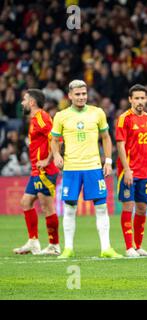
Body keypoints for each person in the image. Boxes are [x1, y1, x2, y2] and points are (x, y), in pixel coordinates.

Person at [50, 80, 122, 259]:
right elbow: (54, 139)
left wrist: (108, 161)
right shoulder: (61, 116)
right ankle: (68, 248)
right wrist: (57, 155)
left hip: (93, 167)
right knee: (69, 208)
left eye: (84, 94)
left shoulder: (97, 113)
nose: (81, 97)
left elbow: (106, 138)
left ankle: (106, 248)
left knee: (101, 207)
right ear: (70, 96)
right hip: (72, 168)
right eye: (78, 94)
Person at [116, 84, 147, 257]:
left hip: (144, 172)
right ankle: (129, 247)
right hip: (128, 172)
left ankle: (138, 246)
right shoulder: (125, 118)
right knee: (128, 206)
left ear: (146, 99)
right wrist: (127, 169)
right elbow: (120, 145)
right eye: (136, 98)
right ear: (130, 99)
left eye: (142, 98)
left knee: (142, 208)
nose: (139, 101)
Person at [13, 89, 60, 255]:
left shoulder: (42, 118)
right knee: (26, 203)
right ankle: (33, 242)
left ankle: (54, 245)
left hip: (45, 171)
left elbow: (56, 139)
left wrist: (48, 160)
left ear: (32, 102)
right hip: (36, 170)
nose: (22, 103)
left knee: (47, 207)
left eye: (24, 100)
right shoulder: (35, 119)